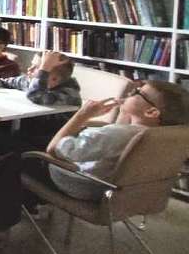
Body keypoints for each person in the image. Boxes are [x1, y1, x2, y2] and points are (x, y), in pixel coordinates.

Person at [44, 80, 189, 200]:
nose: (131, 92)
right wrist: (124, 112)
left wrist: (80, 116)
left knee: (27, 147)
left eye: (138, 92)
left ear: (151, 112)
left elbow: (54, 149)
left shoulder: (114, 134)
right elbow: (121, 133)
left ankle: (33, 207)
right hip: (128, 193)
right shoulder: (162, 136)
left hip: (86, 186)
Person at [0, 50, 81, 158]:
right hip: (28, 128)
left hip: (49, 139)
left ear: (54, 79)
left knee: (5, 140)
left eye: (37, 68)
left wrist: (44, 69)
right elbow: (6, 82)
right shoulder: (32, 81)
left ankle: (1, 169)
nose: (29, 68)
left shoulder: (69, 94)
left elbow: (36, 95)